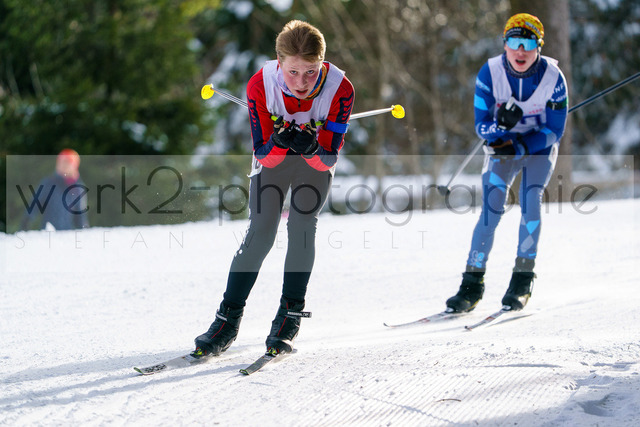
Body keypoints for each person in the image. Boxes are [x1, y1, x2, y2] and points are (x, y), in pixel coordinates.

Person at [194, 20, 354, 356]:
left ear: (322, 63)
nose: (301, 82)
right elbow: (263, 154)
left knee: (302, 226)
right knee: (261, 231)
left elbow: (328, 158)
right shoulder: (260, 85)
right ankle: (227, 320)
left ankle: (289, 316)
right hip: (274, 160)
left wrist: (311, 148)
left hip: (314, 163)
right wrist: (280, 142)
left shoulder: (340, 89)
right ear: (279, 62)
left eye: (310, 72)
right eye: (292, 72)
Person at [445, 13, 568, 313]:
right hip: (502, 149)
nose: (520, 51)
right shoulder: (489, 73)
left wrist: (523, 145)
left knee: (530, 200)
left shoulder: (554, 78)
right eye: (514, 42)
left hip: (538, 148)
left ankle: (522, 281)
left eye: (528, 43)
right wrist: (500, 126)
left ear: (539, 46)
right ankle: (471, 285)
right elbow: (481, 126)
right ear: (505, 44)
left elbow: (555, 130)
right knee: (491, 210)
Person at [20, 149, 90, 231]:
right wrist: (26, 221)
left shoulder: (78, 188)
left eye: (67, 162)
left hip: (67, 233)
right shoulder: (48, 183)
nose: (63, 165)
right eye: (61, 162)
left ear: (75, 165)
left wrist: (85, 231)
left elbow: (80, 216)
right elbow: (35, 204)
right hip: (48, 231)